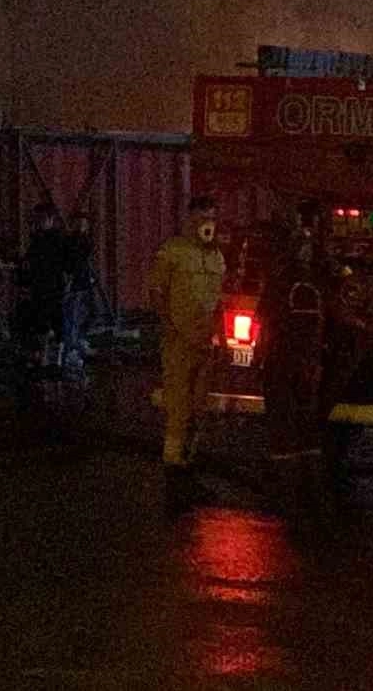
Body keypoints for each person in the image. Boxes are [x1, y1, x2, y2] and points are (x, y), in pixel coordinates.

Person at [257, 201, 336, 523]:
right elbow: (324, 323)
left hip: (281, 364)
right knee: (307, 428)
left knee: (282, 429)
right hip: (307, 367)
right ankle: (314, 496)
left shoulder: (280, 282)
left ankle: (287, 498)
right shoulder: (315, 285)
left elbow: (265, 320)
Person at [148, 196, 226, 513]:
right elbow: (157, 293)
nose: (207, 222)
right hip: (179, 342)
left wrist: (220, 339)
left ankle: (189, 470)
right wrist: (170, 327)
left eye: (211, 217)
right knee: (178, 409)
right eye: (202, 216)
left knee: (199, 410)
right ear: (190, 218)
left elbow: (219, 301)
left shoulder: (217, 256)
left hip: (205, 344)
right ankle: (174, 476)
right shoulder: (173, 252)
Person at [20, 203, 71, 369]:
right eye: (36, 219)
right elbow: (29, 264)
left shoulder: (57, 239)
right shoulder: (38, 239)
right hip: (41, 288)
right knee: (42, 323)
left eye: (41, 219)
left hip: (53, 288)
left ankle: (55, 360)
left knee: (55, 323)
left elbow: (66, 265)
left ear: (50, 219)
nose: (37, 222)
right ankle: (46, 359)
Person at [62, 211, 99, 368]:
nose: (82, 226)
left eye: (84, 223)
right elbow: (71, 262)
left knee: (93, 312)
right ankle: (72, 351)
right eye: (79, 223)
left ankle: (80, 340)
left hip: (85, 281)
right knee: (73, 317)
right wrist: (69, 280)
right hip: (75, 283)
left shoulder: (85, 240)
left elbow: (84, 258)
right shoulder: (70, 241)